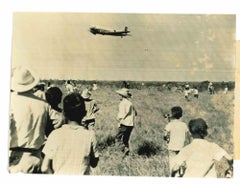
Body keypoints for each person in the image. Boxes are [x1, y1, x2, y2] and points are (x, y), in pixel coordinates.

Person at [9, 66, 63, 173]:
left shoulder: (10, 101)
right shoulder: (44, 104)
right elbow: (55, 126)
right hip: (35, 157)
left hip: (14, 157)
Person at [41, 93, 99, 175]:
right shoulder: (90, 135)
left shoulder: (55, 134)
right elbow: (94, 163)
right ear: (84, 113)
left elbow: (45, 168)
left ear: (64, 113)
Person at [163, 106, 191, 176]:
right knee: (180, 160)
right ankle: (181, 173)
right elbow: (189, 136)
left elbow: (165, 135)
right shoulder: (184, 125)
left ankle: (173, 176)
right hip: (181, 146)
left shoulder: (169, 124)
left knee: (172, 162)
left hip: (171, 147)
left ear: (172, 114)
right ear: (181, 115)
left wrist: (167, 139)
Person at [115, 88, 137, 155]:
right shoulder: (130, 103)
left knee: (117, 138)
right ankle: (126, 154)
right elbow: (136, 113)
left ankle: (124, 150)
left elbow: (122, 114)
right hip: (131, 124)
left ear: (122, 96)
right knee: (125, 139)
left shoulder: (122, 103)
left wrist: (118, 119)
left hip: (124, 123)